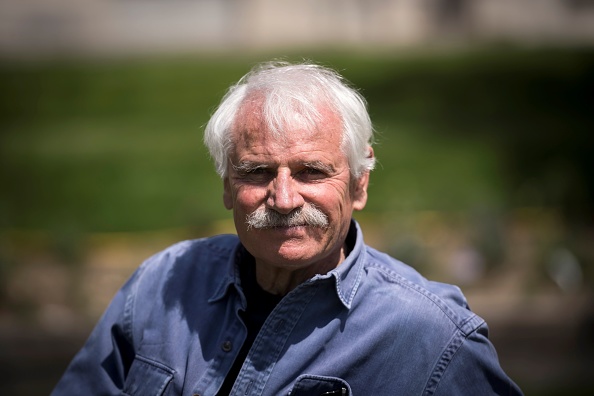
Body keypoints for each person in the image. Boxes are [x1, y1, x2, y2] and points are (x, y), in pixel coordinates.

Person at [53, 61, 523, 395]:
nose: (282, 199)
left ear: (359, 184)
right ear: (226, 186)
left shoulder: (430, 338)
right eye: (257, 172)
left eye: (312, 172)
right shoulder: (161, 285)